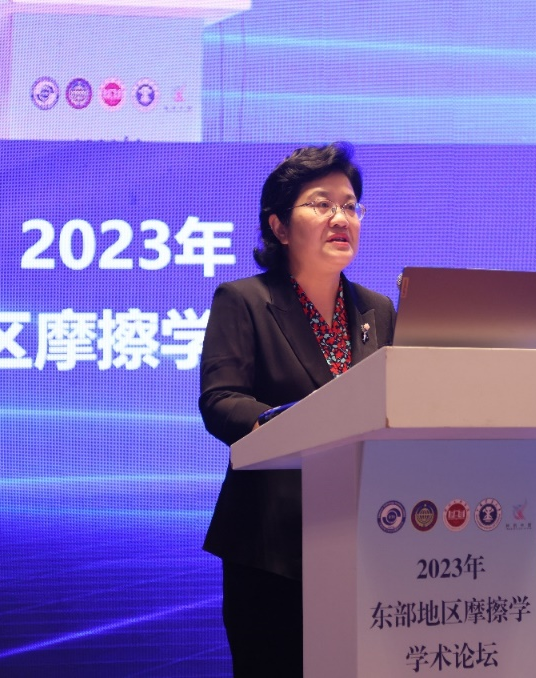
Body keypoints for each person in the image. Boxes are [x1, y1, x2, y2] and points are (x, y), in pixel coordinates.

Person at [199, 142, 396, 677]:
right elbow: (221, 400)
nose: (342, 218)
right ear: (280, 227)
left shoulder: (378, 310)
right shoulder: (244, 301)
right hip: (273, 544)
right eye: (321, 204)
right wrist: (291, 424)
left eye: (351, 206)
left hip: (369, 536)